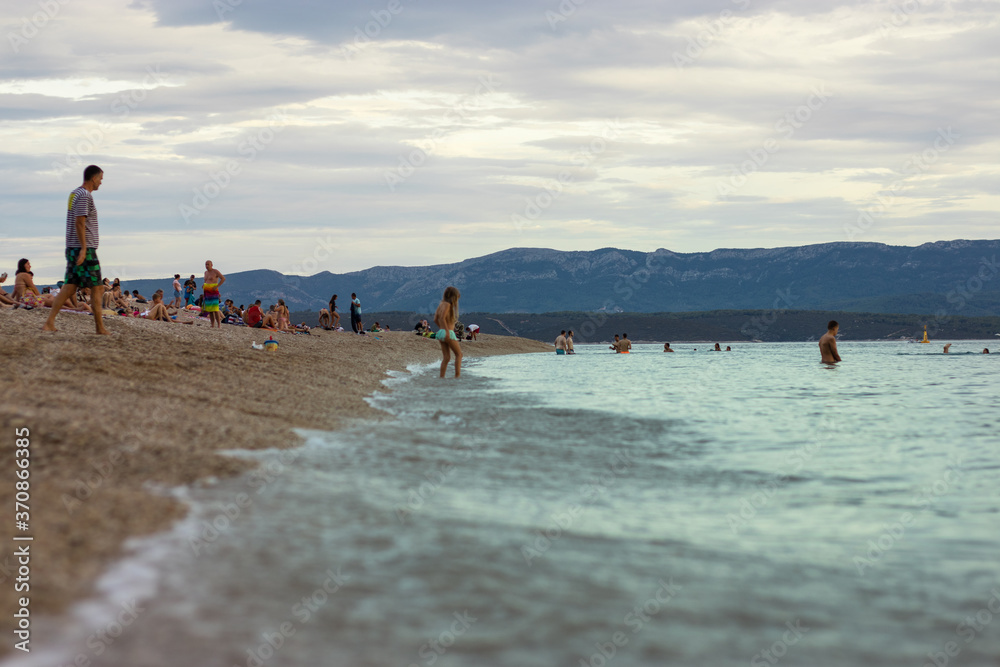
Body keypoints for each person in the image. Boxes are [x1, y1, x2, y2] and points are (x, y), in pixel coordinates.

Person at [43, 165, 110, 335]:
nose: (101, 182)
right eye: (100, 178)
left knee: (70, 287)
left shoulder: (74, 194)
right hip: (83, 249)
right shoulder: (85, 195)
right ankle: (99, 328)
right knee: (97, 287)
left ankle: (49, 322)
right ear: (93, 178)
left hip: (74, 247)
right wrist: (84, 248)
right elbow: (80, 222)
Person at [435, 286, 462, 378]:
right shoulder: (447, 305)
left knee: (446, 358)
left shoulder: (441, 304)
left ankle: (441, 377)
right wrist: (447, 331)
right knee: (459, 354)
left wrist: (442, 329)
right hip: (448, 333)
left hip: (441, 332)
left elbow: (435, 319)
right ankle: (457, 376)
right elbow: (442, 318)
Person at [202, 260, 225, 329]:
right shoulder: (205, 272)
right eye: (206, 264)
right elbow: (205, 281)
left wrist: (217, 286)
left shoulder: (215, 271)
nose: (207, 266)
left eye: (208, 264)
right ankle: (212, 324)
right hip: (207, 291)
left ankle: (219, 324)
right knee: (210, 310)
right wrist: (204, 286)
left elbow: (223, 278)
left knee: (215, 309)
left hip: (213, 290)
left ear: (212, 265)